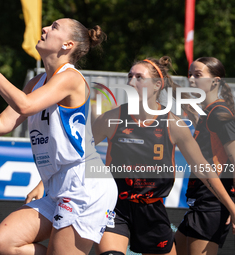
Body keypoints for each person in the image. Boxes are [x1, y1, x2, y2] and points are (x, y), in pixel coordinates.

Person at [0, 18, 118, 255]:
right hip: (57, 185)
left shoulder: (70, 78)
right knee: (3, 242)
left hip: (85, 186)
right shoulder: (36, 82)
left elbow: (24, 106)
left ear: (68, 45)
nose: (44, 28)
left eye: (54, 27)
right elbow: (1, 125)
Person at [91, 57, 235, 255]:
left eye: (139, 77)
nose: (131, 82)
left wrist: (232, 207)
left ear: (157, 85)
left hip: (153, 210)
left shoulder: (174, 124)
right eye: (130, 76)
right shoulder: (113, 118)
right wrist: (43, 184)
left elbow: (204, 168)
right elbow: (76, 152)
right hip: (116, 207)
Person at [175, 57, 235, 255]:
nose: (191, 79)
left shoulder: (220, 114)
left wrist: (232, 206)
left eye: (198, 75)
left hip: (213, 202)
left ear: (215, 81)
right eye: (189, 74)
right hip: (201, 201)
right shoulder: (206, 112)